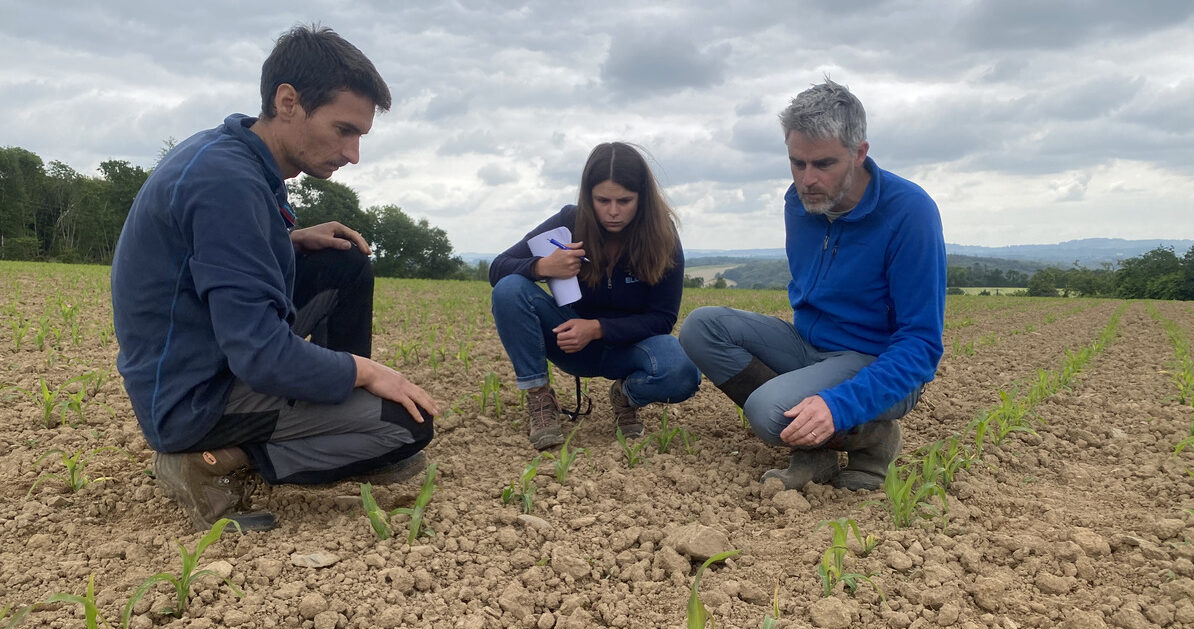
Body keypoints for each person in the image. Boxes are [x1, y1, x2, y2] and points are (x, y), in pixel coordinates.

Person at [111, 25, 437, 531]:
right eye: (343, 130)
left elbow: (203, 256)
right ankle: (206, 458)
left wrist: (285, 238)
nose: (353, 154)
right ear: (288, 101)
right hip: (190, 398)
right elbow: (259, 354)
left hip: (198, 357)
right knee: (403, 426)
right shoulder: (227, 184)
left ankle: (325, 413)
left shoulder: (237, 156)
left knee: (343, 262)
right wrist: (368, 373)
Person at [679, 79, 945, 491]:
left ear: (859, 153)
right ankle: (817, 447)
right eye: (796, 163)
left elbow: (921, 346)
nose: (807, 179)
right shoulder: (799, 204)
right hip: (809, 347)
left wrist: (838, 405)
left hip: (873, 360)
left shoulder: (910, 213)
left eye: (823, 164)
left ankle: (871, 439)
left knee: (768, 411)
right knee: (701, 327)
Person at [489, 142, 701, 450]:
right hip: (569, 341)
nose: (613, 211)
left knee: (683, 371)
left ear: (642, 199)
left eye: (624, 201)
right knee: (509, 289)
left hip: (628, 350)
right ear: (588, 197)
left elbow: (663, 318)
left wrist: (597, 328)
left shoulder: (662, 236)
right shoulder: (569, 223)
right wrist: (543, 266)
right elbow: (498, 269)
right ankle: (539, 397)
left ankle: (626, 396)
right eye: (603, 200)